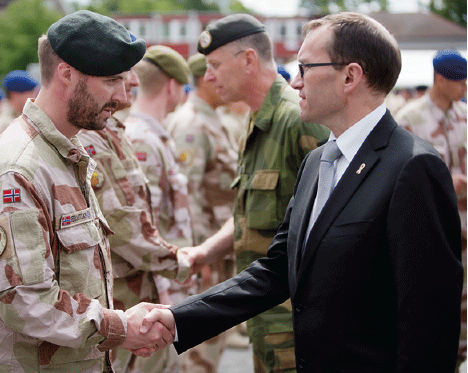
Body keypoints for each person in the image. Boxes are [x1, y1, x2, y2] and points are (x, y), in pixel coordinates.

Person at [141, 12, 464, 372]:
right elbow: (277, 270)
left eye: (305, 67)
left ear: (350, 76)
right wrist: (179, 318)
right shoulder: (316, 162)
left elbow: (429, 323)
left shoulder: (412, 167)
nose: (295, 83)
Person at [0, 11, 173, 372]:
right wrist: (119, 327)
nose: (121, 97)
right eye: (111, 81)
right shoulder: (16, 170)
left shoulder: (63, 154)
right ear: (67, 73)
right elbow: (27, 301)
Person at [177, 13, 328, 373]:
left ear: (248, 60)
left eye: (214, 65)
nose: (207, 77)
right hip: (265, 320)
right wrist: (205, 252)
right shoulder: (257, 121)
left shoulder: (299, 120)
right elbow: (252, 214)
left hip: (298, 326)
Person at [77, 67, 190, 373]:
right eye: (120, 74)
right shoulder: (90, 138)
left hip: (141, 284)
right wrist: (182, 262)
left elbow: (140, 212)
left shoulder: (114, 131)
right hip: (120, 295)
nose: (135, 81)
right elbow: (120, 224)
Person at [167, 52, 241, 372]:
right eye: (217, 75)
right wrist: (201, 252)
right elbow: (187, 194)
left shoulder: (212, 118)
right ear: (204, 79)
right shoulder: (191, 124)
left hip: (219, 244)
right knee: (201, 347)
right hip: (207, 247)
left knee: (215, 338)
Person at [395, 49, 467, 371]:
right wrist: (443, 182)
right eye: (460, 82)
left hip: (465, 227)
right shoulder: (409, 119)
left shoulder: (464, 116)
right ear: (440, 79)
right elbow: (398, 177)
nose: (464, 88)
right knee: (434, 305)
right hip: (432, 229)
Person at [124, 45, 193, 249]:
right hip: (160, 272)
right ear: (172, 86)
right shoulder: (143, 140)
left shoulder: (152, 134)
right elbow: (145, 224)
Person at [0, 70, 39, 143]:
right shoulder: (3, 124)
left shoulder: (20, 117)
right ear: (15, 95)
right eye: (30, 93)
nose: (34, 97)